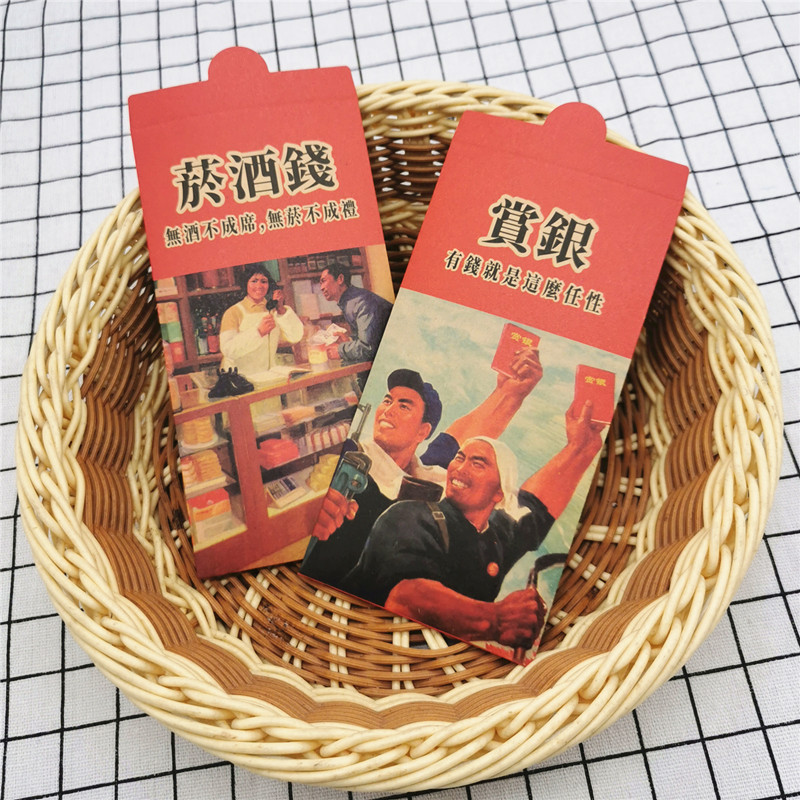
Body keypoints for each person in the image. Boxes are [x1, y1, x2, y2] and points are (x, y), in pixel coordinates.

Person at [349, 404, 605, 652]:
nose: (459, 468)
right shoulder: (409, 515)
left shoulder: (496, 535)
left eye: (477, 463)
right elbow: (405, 597)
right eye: (459, 458)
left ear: (499, 493)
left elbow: (535, 505)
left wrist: (581, 448)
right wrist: (496, 619)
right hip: (366, 638)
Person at [300, 347, 543, 587]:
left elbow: (464, 434)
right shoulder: (349, 455)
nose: (388, 410)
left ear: (422, 432)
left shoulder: (424, 477)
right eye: (387, 400)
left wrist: (511, 392)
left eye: (404, 406)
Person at [219, 263, 304, 381]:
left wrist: (281, 309)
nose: (259, 286)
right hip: (239, 379)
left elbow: (295, 336)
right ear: (245, 284)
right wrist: (258, 332)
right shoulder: (233, 312)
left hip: (267, 377)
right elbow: (228, 350)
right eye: (254, 281)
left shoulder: (273, 310)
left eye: (263, 281)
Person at [318, 261, 392, 365]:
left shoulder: (362, 302)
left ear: (340, 279)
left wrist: (340, 350)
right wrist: (349, 340)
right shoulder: (350, 302)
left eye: (323, 281)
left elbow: (368, 347)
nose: (321, 288)